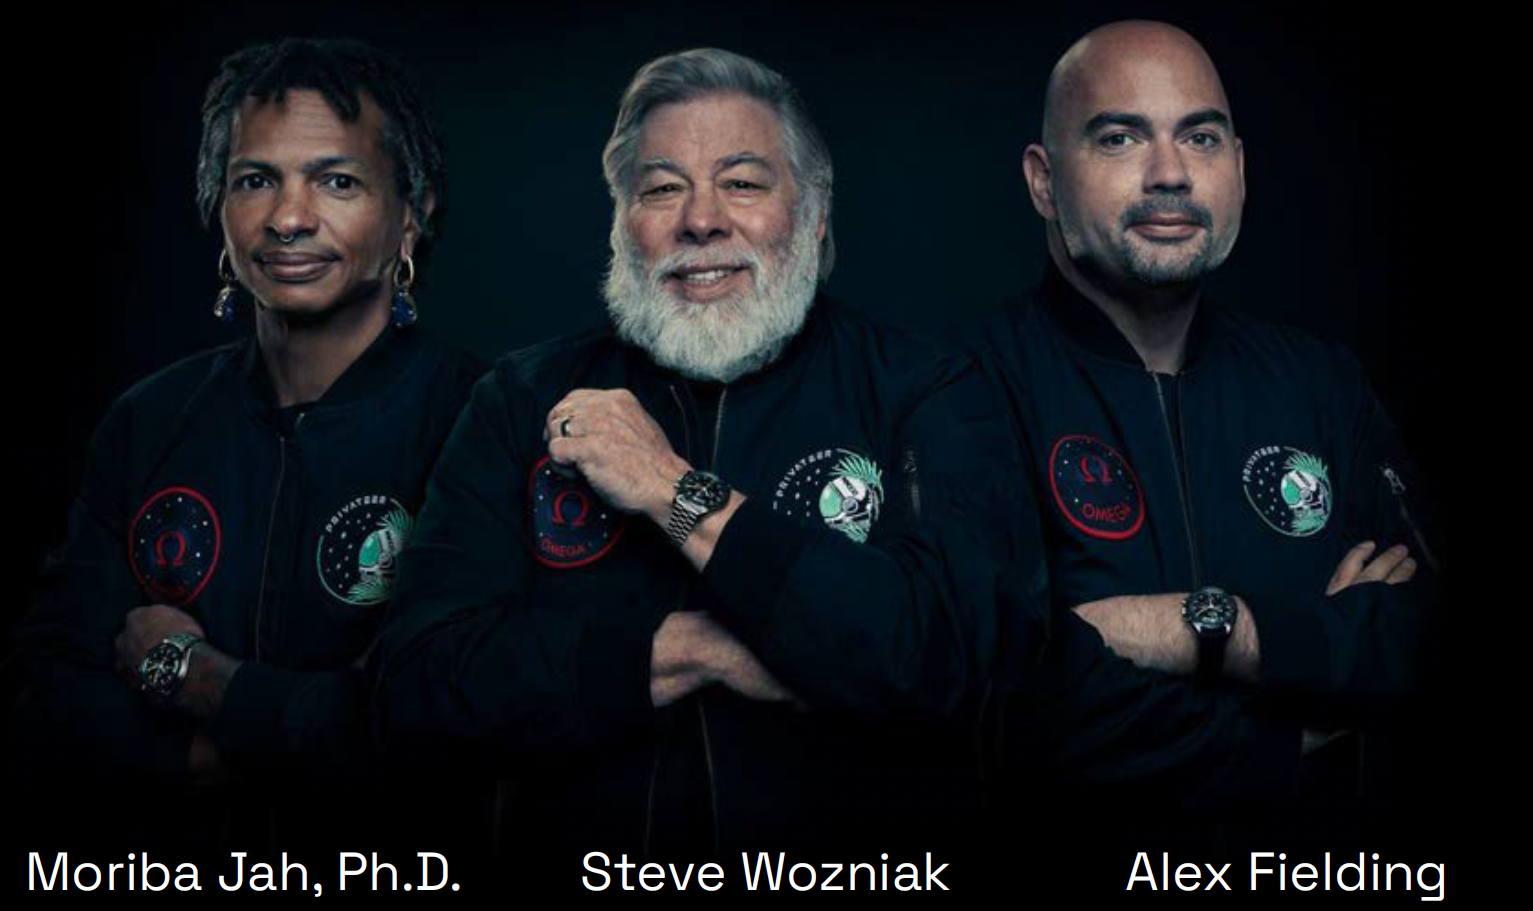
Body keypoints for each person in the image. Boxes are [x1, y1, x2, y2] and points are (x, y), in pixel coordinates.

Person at [376, 48, 1028, 857]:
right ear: (621, 223)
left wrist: (672, 490)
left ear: (816, 214)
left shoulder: (924, 390)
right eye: (661, 188)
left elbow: (958, 662)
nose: (701, 219)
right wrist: (689, 651)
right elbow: (418, 682)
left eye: (743, 182)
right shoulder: (519, 398)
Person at [7, 38, 485, 856]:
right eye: (255, 180)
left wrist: (188, 675)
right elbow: (48, 689)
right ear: (217, 210)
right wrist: (228, 751)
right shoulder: (148, 421)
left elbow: (451, 715)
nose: (289, 218)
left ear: (414, 211)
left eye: (338, 181)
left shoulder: (483, 418)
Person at [970, 21, 1438, 841]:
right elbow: (1001, 691)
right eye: (1119, 138)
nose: (1171, 174)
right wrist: (1289, 729)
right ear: (1044, 182)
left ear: (1241, 170)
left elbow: (1420, 632)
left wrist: (1206, 628)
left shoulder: (1321, 383)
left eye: (1201, 137)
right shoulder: (965, 386)